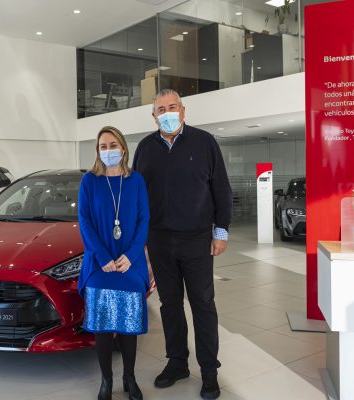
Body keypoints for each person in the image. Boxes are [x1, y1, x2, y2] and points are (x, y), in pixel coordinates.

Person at [133, 89, 232, 400]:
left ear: (183, 111)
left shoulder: (204, 143)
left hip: (197, 239)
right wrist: (140, 238)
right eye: (160, 109)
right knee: (170, 305)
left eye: (172, 106)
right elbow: (138, 195)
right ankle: (177, 363)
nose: (167, 112)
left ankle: (209, 372)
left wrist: (221, 232)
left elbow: (221, 188)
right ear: (153, 116)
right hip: (159, 241)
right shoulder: (146, 148)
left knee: (203, 305)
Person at [78, 126, 151, 400]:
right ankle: (106, 380)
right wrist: (103, 256)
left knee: (129, 325)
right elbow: (84, 221)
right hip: (100, 264)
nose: (108, 151)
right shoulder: (89, 181)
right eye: (103, 146)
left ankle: (129, 377)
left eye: (112, 145)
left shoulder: (137, 181)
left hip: (129, 263)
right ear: (97, 151)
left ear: (123, 147)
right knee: (104, 326)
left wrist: (131, 256)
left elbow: (144, 220)